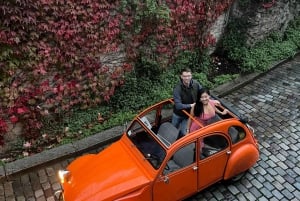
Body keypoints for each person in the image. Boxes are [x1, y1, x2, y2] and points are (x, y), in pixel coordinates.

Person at [172, 67, 202, 137]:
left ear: (191, 76)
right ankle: (171, 142)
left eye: (188, 76)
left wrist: (211, 100)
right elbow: (178, 106)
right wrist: (191, 105)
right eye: (185, 76)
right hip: (178, 114)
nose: (187, 78)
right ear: (181, 77)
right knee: (173, 129)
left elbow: (203, 93)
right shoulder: (177, 88)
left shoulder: (196, 84)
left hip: (188, 115)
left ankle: (179, 141)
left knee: (184, 132)